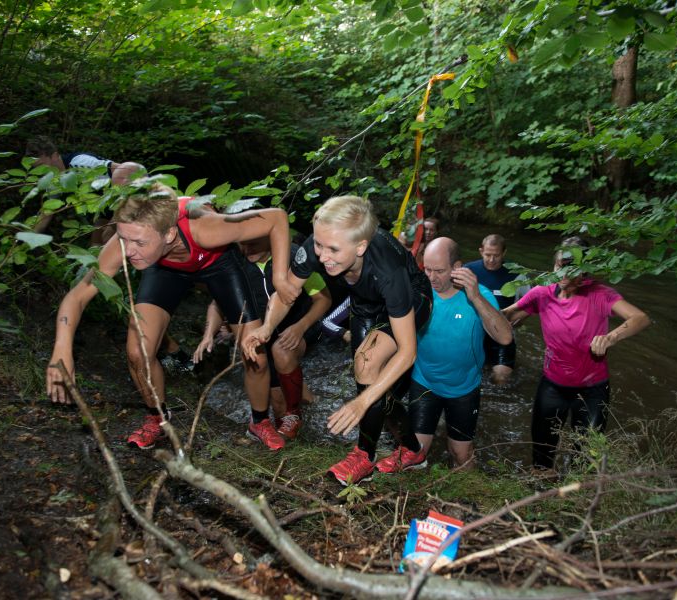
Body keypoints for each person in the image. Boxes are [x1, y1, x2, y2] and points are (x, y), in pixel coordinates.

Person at [45, 181, 298, 451]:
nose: (128, 251)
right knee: (138, 351)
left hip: (217, 264)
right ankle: (158, 419)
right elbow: (78, 295)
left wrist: (280, 276)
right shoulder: (128, 238)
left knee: (256, 355)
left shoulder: (208, 227)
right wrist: (62, 348)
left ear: (168, 234)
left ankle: (259, 421)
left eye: (139, 242)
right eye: (124, 239)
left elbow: (276, 218)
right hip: (164, 269)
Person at [242, 196, 432, 485]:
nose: (322, 255)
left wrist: (360, 403)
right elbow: (288, 291)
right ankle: (412, 450)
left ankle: (364, 457)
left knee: (367, 369)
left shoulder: (388, 270)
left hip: (411, 298)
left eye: (332, 249)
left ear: (361, 247)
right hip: (365, 301)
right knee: (370, 380)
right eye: (319, 244)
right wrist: (267, 328)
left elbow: (408, 352)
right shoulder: (317, 245)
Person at [502, 237, 650, 474]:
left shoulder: (599, 294)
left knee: (586, 459)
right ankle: (542, 497)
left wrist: (610, 338)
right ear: (554, 265)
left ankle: (577, 501)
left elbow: (640, 318)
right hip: (552, 387)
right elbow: (505, 316)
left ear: (584, 269)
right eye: (560, 265)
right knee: (541, 456)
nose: (564, 273)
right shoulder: (542, 294)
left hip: (592, 390)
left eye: (572, 266)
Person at [195, 235, 331, 439]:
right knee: (278, 404)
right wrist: (208, 335)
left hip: (298, 327)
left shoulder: (294, 258)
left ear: (271, 239)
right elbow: (217, 303)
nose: (248, 249)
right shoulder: (235, 264)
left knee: (282, 352)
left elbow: (323, 299)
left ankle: (301, 418)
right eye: (243, 244)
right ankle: (311, 410)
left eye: (254, 244)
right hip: (261, 334)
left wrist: (300, 327)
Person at [409, 237, 512, 468]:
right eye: (427, 270)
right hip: (424, 381)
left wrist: (475, 297)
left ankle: (464, 500)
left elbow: (505, 337)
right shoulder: (420, 291)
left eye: (439, 271)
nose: (431, 278)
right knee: (415, 453)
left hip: (463, 388)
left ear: (457, 268)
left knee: (460, 454)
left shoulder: (478, 295)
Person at [464, 234, 520, 385]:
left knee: (500, 378)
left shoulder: (517, 275)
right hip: (474, 329)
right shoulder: (468, 271)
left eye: (496, 255)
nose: (491, 259)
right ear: (481, 251)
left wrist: (517, 320)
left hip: (501, 330)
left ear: (504, 253)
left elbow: (527, 305)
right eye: (488, 255)